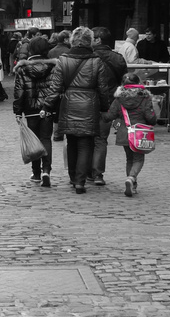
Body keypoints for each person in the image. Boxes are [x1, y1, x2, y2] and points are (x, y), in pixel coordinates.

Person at [41, 26, 110, 194]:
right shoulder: (97, 61)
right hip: (89, 104)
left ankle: (73, 178)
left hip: (69, 104)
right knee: (86, 144)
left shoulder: (63, 60)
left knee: (71, 141)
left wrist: (47, 105)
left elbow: (55, 87)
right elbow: (103, 89)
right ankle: (80, 181)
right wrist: (105, 108)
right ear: (89, 41)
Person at [102, 72, 157, 197]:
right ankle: (131, 178)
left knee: (129, 159)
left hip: (124, 132)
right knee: (138, 158)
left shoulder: (119, 99)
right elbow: (151, 118)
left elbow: (110, 116)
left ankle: (133, 186)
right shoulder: (144, 97)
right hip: (140, 133)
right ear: (138, 83)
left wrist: (100, 115)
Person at [13, 36, 56, 187]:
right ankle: (46, 170)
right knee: (46, 139)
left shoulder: (23, 69)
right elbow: (55, 89)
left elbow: (19, 92)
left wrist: (18, 111)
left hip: (30, 110)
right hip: (47, 109)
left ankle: (36, 173)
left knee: (34, 140)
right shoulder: (54, 67)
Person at [90, 26, 127, 186]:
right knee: (101, 140)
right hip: (109, 103)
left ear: (98, 40)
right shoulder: (118, 58)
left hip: (88, 102)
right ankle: (98, 174)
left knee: (86, 138)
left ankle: (84, 173)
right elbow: (123, 82)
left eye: (91, 38)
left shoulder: (88, 57)